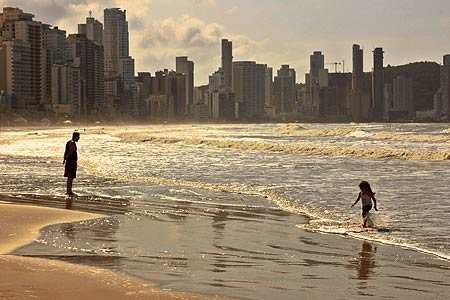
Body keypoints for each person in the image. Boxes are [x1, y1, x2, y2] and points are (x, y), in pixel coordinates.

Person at [63, 132, 80, 197]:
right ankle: (69, 191)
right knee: (71, 177)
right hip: (71, 162)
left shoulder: (68, 142)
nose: (79, 138)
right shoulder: (72, 143)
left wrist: (64, 159)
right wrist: (67, 158)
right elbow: (70, 152)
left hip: (69, 161)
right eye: (78, 137)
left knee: (70, 177)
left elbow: (66, 152)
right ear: (75, 136)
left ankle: (69, 191)